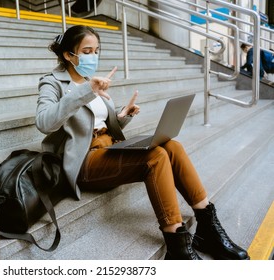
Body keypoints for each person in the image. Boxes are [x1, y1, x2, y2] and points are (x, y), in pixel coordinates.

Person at [36, 25, 250, 260]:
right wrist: (87, 90)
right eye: (87, 51)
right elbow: (45, 122)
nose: (93, 56)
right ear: (69, 54)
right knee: (155, 157)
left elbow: (97, 123)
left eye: (97, 51)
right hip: (84, 160)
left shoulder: (90, 80)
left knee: (172, 146)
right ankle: (177, 245)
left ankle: (208, 225)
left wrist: (122, 116)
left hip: (107, 147)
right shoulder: (53, 82)